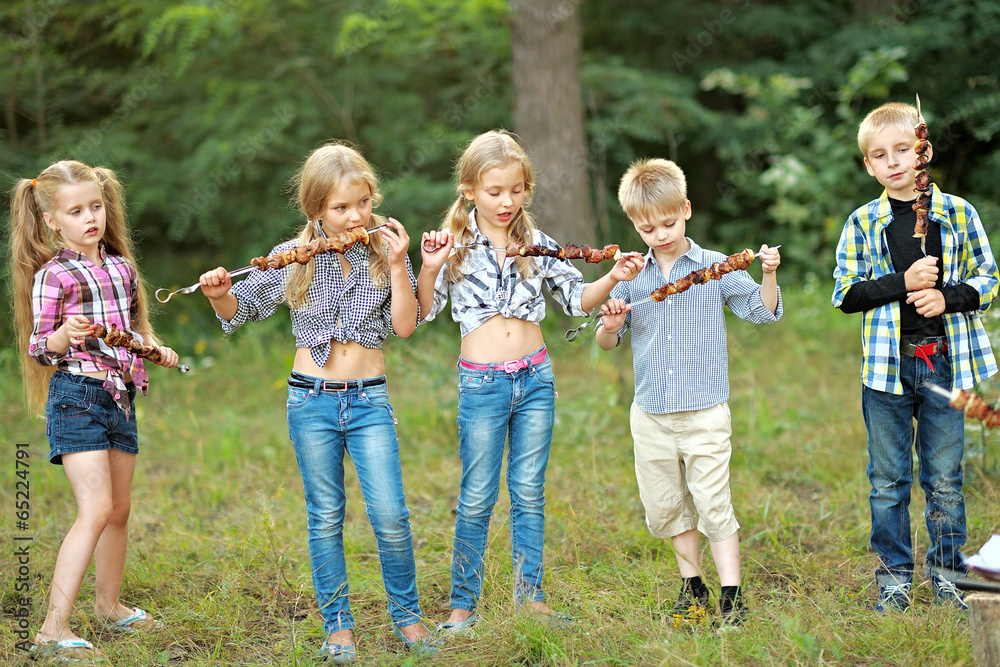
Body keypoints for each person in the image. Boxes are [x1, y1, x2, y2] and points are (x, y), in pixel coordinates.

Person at [198, 143, 436, 662]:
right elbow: (241, 310)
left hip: (369, 400)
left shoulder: (385, 254)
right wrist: (219, 293)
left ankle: (408, 617)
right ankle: (338, 626)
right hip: (311, 403)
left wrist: (400, 265)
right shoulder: (292, 258)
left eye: (363, 203)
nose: (355, 217)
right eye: (341, 208)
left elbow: (405, 325)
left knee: (391, 514)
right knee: (326, 514)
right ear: (316, 211)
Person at [418, 129, 644, 634]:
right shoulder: (451, 247)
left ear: (527, 189)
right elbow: (423, 311)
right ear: (469, 190)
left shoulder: (537, 244)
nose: (506, 201)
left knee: (528, 490)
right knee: (477, 494)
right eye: (494, 191)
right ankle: (462, 605)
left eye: (516, 190)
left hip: (535, 376)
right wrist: (429, 269)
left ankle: (531, 597)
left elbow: (575, 299)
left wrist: (613, 278)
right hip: (483, 384)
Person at [595, 158, 782, 628]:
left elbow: (762, 313)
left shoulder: (715, 267)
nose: (659, 234)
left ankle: (732, 594)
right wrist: (612, 324)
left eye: (669, 223)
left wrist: (770, 274)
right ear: (635, 226)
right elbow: (606, 339)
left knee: (713, 501)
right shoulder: (631, 275)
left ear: (687, 210)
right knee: (666, 504)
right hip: (652, 412)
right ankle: (691, 585)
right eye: (647, 227)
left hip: (704, 410)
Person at [832, 101, 999, 613]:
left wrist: (948, 297)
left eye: (903, 150)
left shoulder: (958, 213)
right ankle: (894, 576)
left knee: (945, 476)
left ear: (922, 151)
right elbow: (845, 294)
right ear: (869, 165)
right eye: (880, 155)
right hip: (887, 369)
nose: (894, 162)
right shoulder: (863, 223)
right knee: (888, 480)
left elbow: (989, 279)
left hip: (946, 364)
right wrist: (900, 283)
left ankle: (948, 573)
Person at [10, 160, 179, 661]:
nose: (91, 218)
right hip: (76, 398)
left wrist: (154, 347)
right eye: (77, 210)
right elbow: (40, 347)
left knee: (120, 511)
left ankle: (109, 606)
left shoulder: (120, 267)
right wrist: (64, 336)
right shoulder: (53, 276)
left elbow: (134, 328)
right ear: (52, 221)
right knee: (96, 510)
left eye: (96, 206)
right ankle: (51, 628)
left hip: (118, 398)